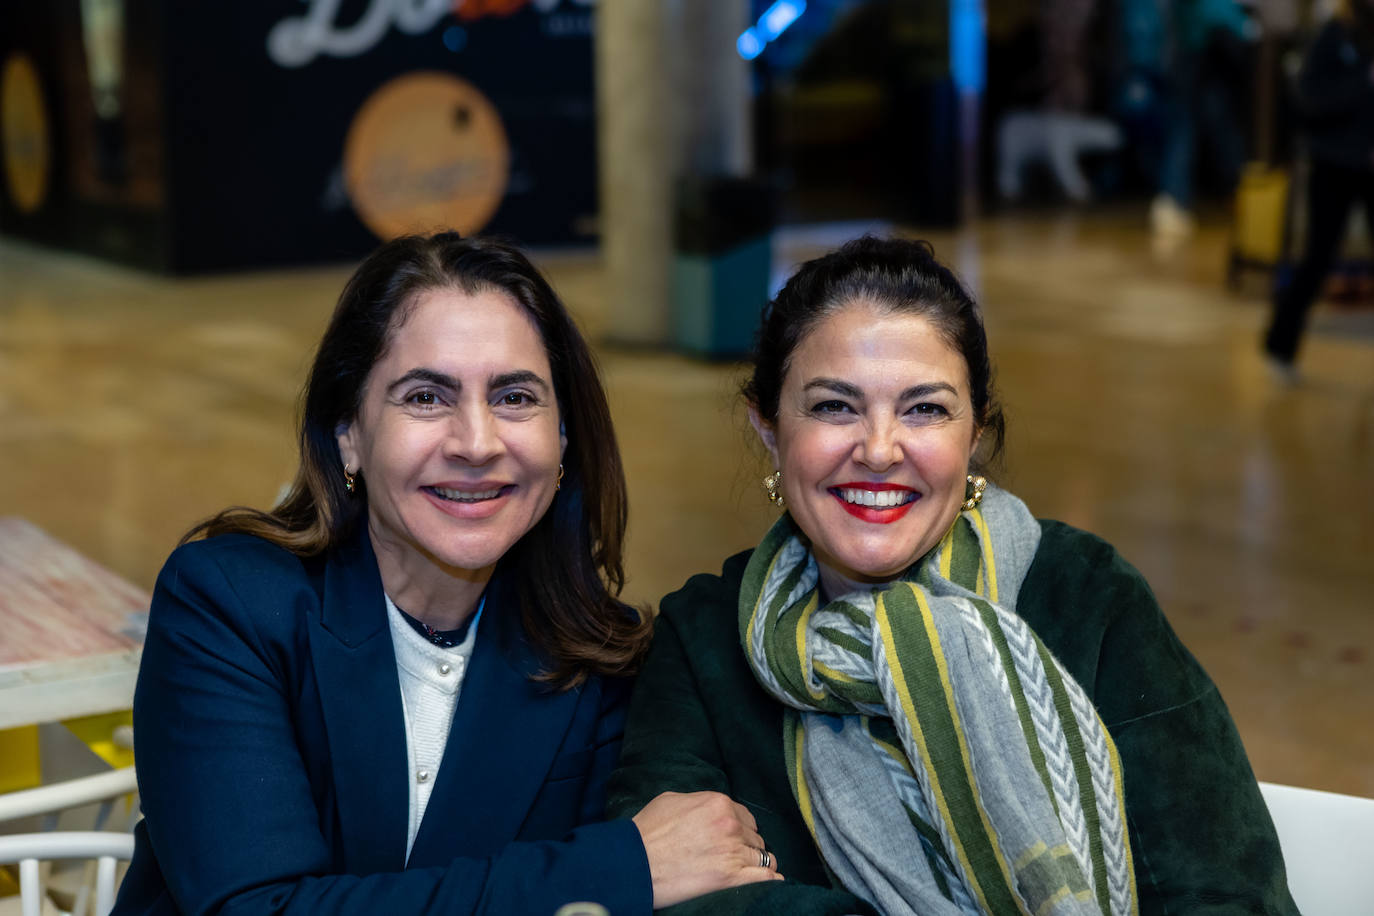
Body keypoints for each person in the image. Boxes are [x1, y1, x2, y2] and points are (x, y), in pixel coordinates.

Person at [607, 236, 1298, 915]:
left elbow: (1227, 890)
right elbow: (666, 893)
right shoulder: (703, 638)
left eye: (925, 409)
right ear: (769, 427)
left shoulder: (1085, 595)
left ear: (974, 434)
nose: (879, 450)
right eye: (833, 406)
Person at [114, 232, 782, 914]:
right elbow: (254, 909)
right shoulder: (229, 604)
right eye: (426, 397)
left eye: (515, 398)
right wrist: (615, 869)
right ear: (348, 431)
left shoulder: (599, 660)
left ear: (563, 440)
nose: (477, 443)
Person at [1263, 0, 1374, 379]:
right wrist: (1362, 82)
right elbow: (1309, 99)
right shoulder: (1333, 35)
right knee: (1318, 257)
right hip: (1334, 164)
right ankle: (1280, 346)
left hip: (1369, 163)